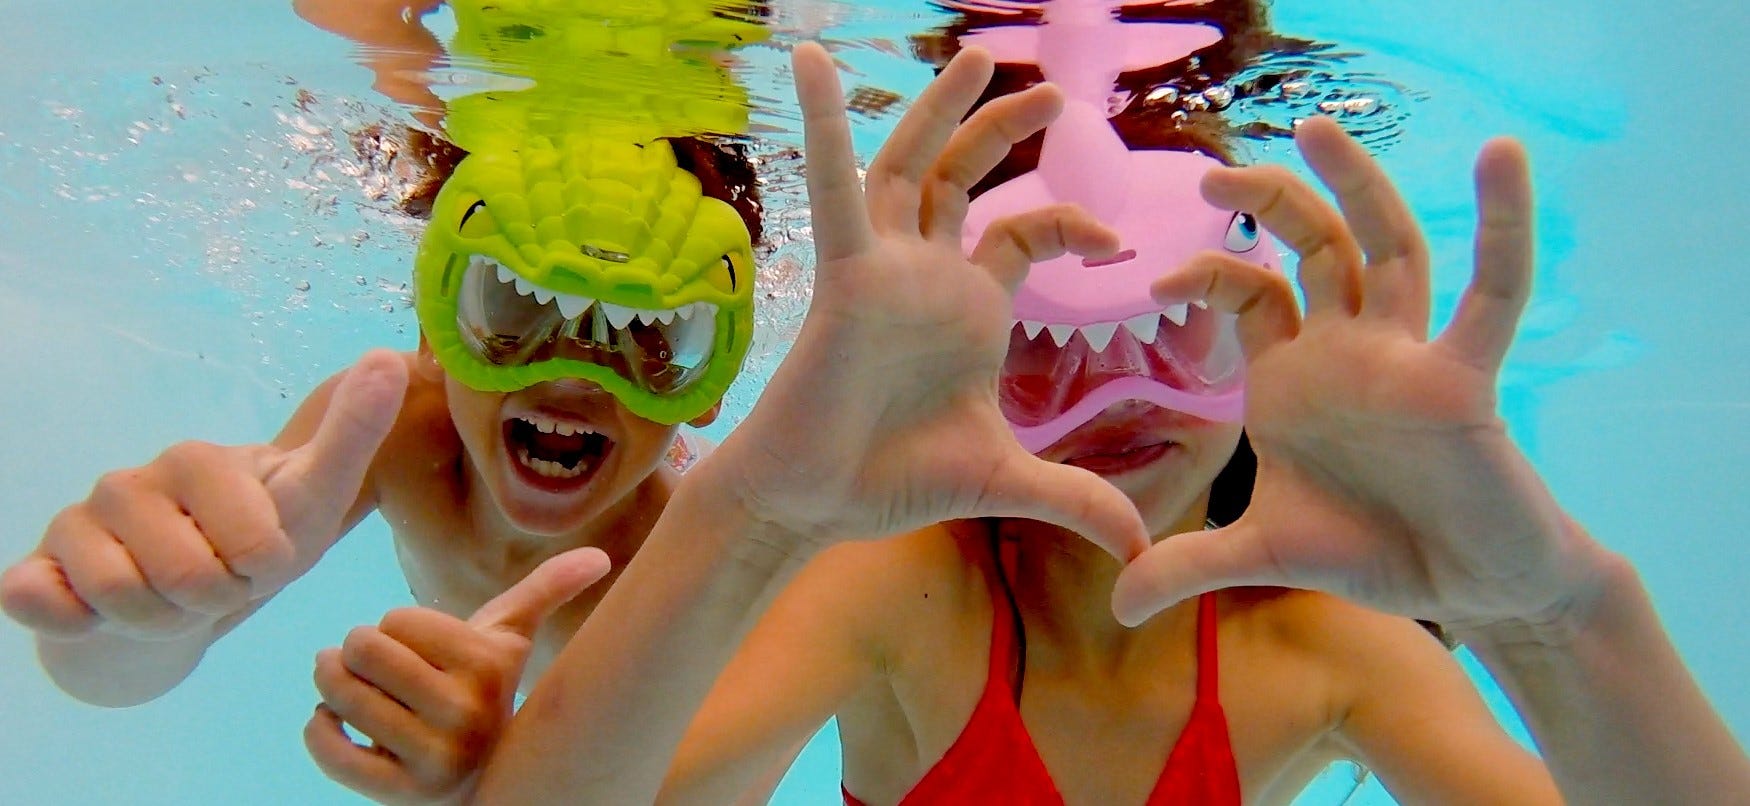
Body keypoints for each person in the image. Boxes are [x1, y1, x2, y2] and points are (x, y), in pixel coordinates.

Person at [467, 40, 1750, 805]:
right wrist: (752, 512)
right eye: (1043, 347)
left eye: (1175, 327)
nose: (1119, 398)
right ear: (965, 352)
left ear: (1254, 325)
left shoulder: (1323, 648)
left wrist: (1552, 614)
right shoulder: (906, 593)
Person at [0, 1, 776, 802]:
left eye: (654, 335)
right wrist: (141, 607)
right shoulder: (393, 424)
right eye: (513, 307)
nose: (574, 374)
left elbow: (711, 787)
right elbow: (123, 673)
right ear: (433, 332)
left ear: (711, 388)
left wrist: (482, 787)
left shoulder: (685, 558)